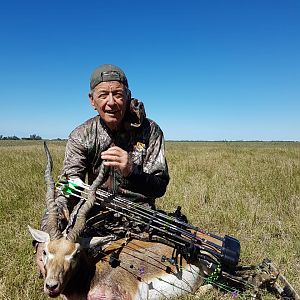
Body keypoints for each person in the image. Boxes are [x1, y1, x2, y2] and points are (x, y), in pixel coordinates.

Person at [35, 64, 170, 275]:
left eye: (117, 94)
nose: (111, 102)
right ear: (92, 100)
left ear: (128, 95)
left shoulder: (150, 131)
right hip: (94, 218)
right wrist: (45, 241)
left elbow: (160, 187)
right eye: (103, 95)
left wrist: (131, 170)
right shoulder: (82, 136)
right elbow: (67, 188)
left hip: (141, 218)